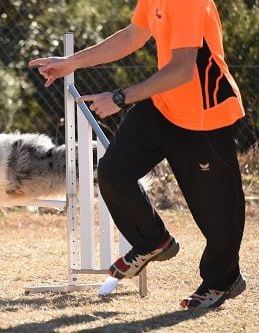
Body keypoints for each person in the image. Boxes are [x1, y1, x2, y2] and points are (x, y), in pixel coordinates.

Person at [29, 0, 246, 310]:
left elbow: (184, 69)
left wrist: (121, 97)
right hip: (163, 106)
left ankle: (222, 280)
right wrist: (71, 62)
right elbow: (132, 36)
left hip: (205, 116)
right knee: (113, 173)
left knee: (217, 215)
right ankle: (152, 240)